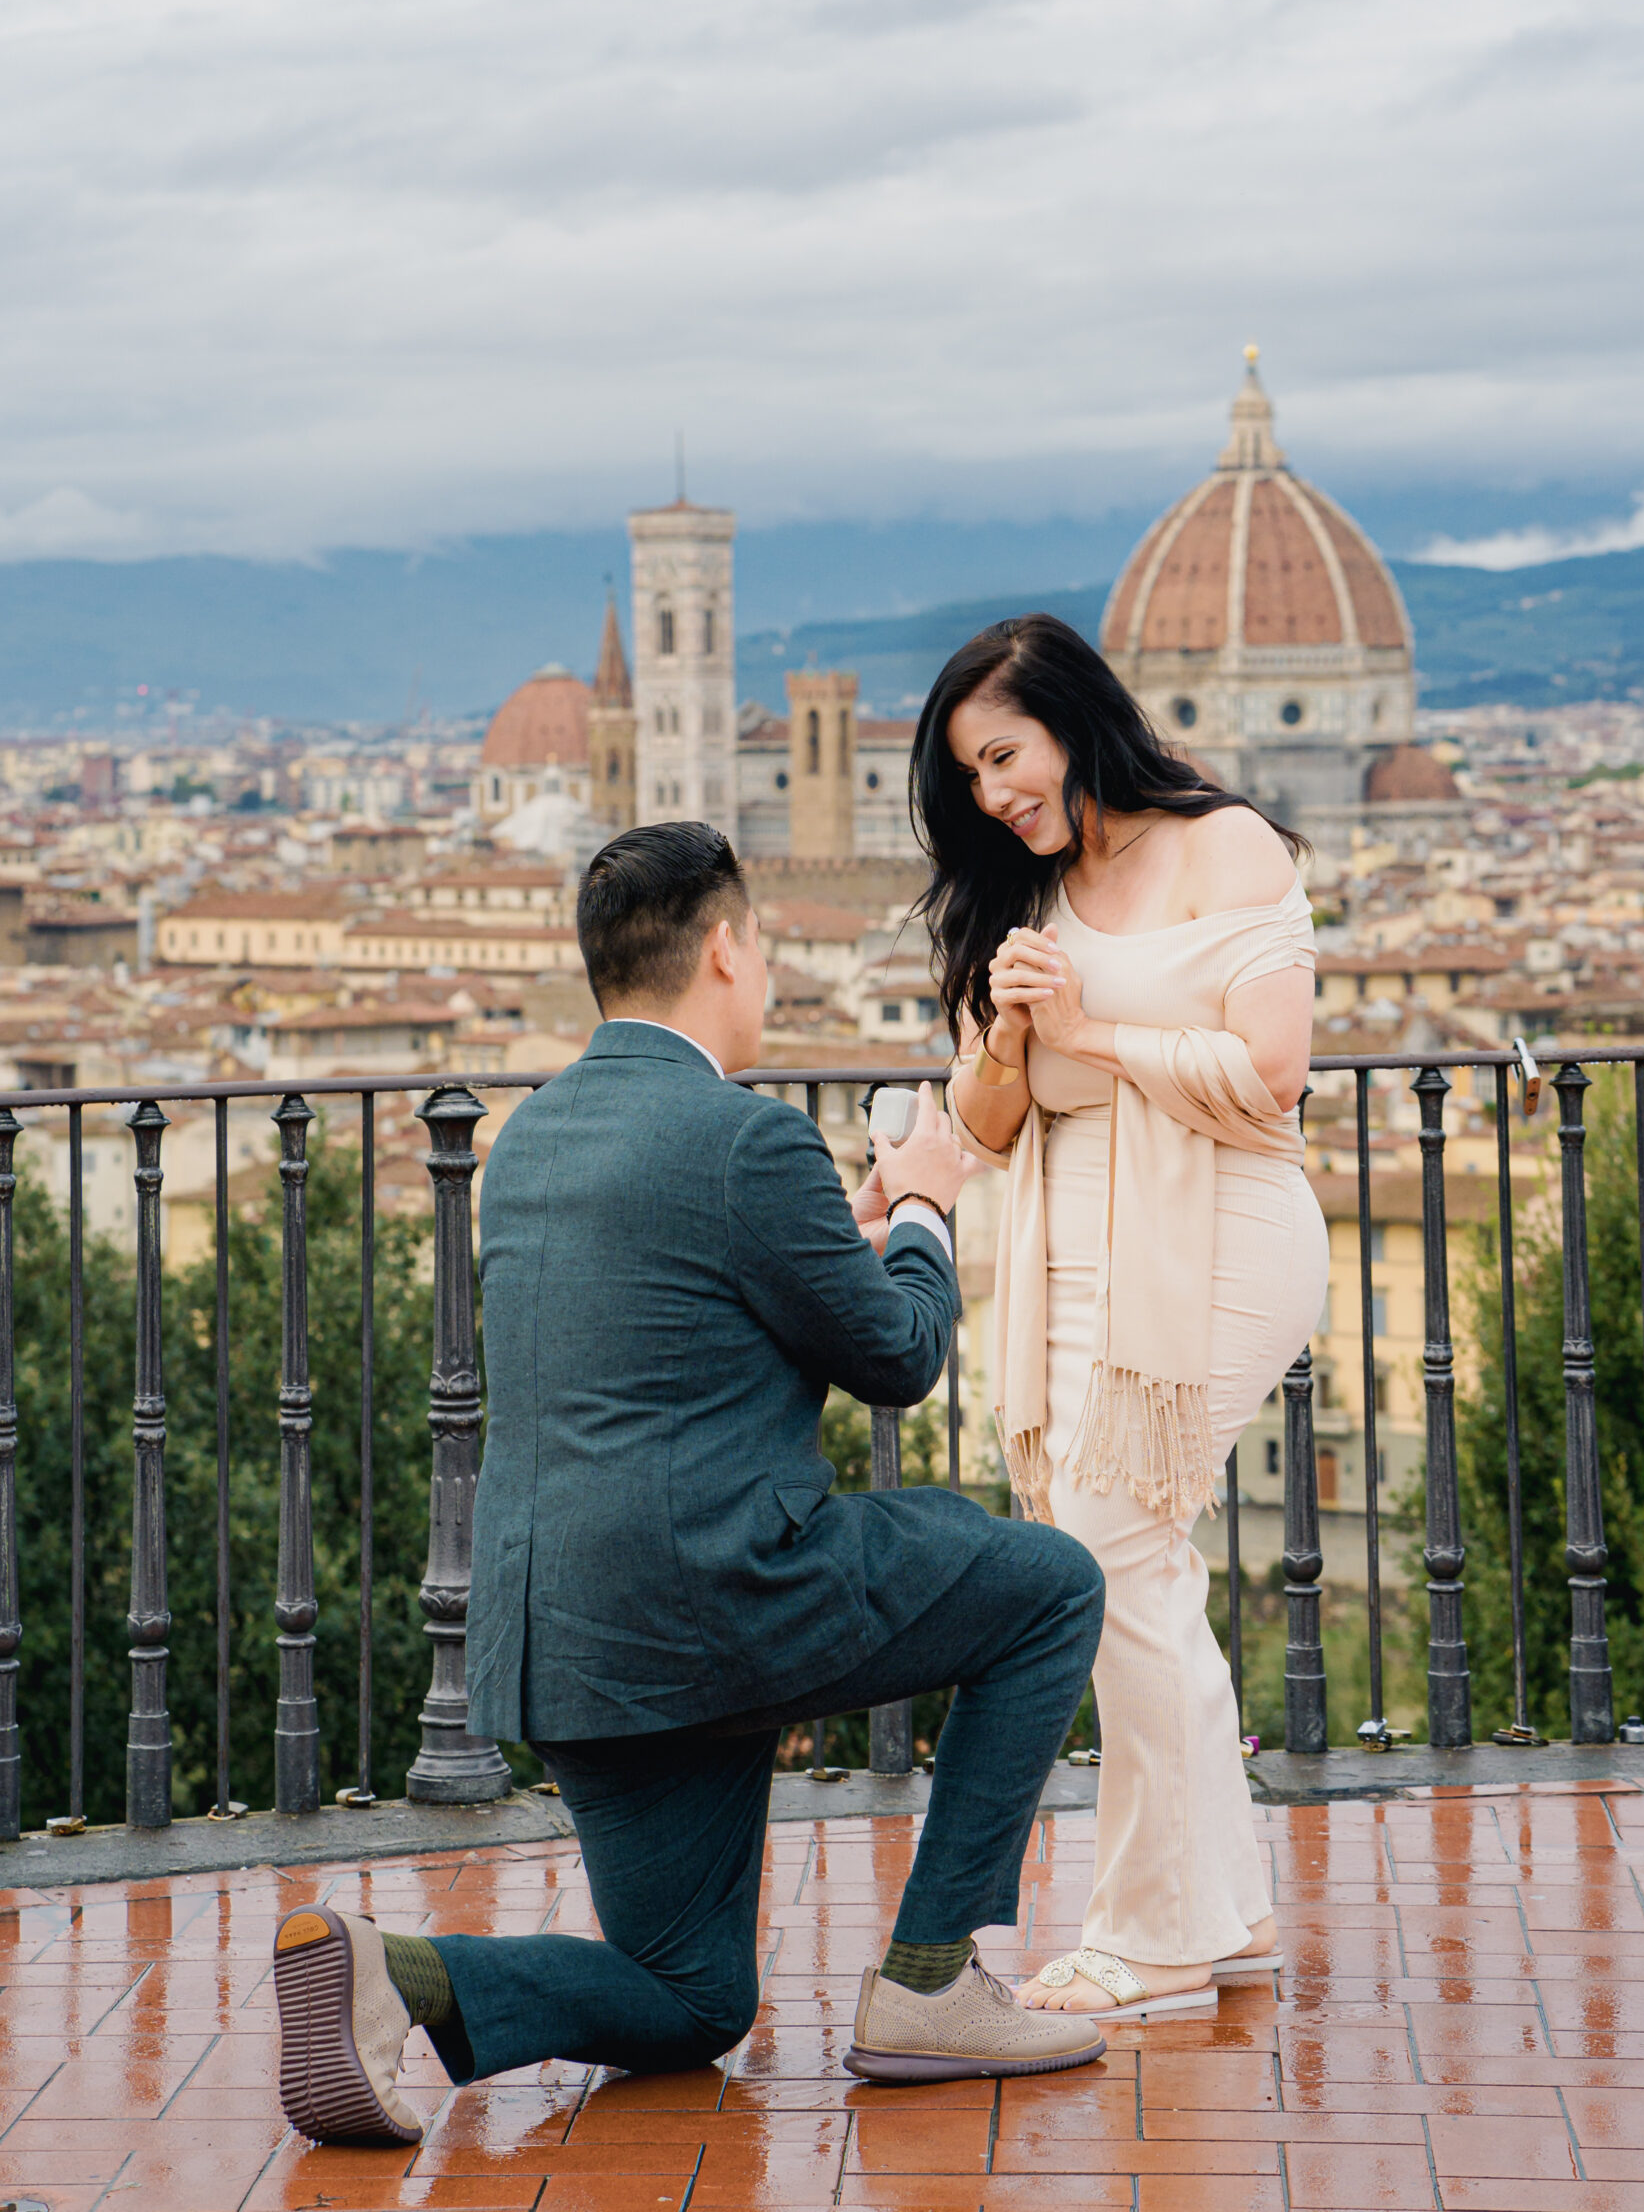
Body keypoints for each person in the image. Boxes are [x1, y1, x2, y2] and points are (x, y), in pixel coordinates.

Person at [273, 819, 1107, 2143]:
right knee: (1052, 1586)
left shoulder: (532, 1141)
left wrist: (839, 1243)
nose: (765, 965)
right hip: (718, 1602)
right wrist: (928, 1207)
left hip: (558, 1643)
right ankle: (933, 1980)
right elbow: (899, 1356)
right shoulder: (748, 1141)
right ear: (724, 950)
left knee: (694, 1995)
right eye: (762, 944)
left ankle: (398, 1972)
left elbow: (676, 1326)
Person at [914, 614, 1328, 2021]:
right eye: (970, 775)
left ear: (1075, 720)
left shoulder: (1228, 846)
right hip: (1070, 1255)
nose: (991, 795)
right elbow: (982, 1118)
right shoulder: (1020, 897)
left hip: (1220, 1235)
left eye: (1002, 756)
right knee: (1136, 1571)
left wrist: (1089, 1033)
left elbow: (1274, 1069)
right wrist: (1017, 1041)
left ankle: (1153, 1940)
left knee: (1105, 1558)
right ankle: (1230, 1911)